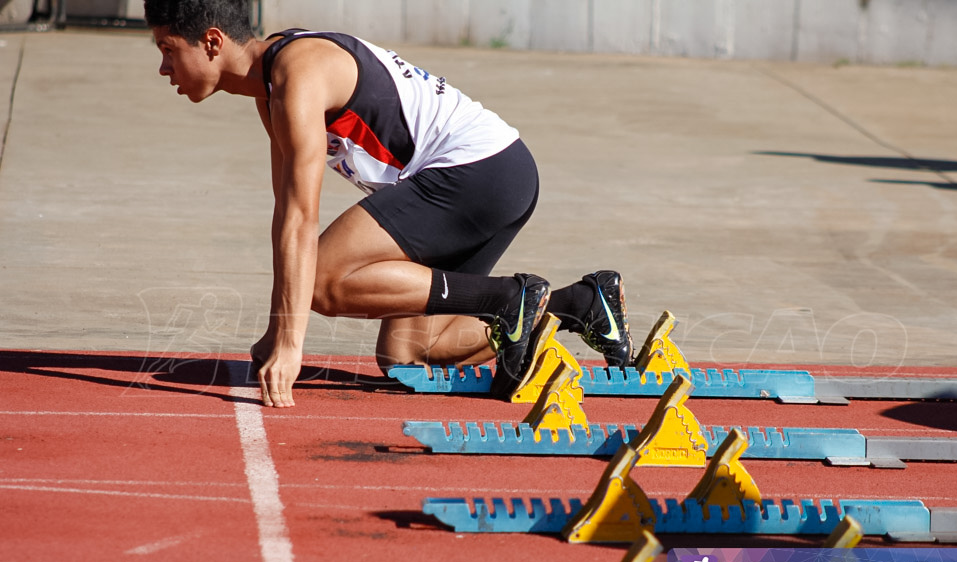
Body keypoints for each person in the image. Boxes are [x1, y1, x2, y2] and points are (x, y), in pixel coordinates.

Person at [144, 0, 633, 408]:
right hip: (499, 174)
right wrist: (278, 331)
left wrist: (292, 345)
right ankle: (578, 304)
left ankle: (509, 299)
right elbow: (285, 216)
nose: (164, 68)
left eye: (168, 50)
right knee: (409, 355)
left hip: (480, 172)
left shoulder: (298, 74)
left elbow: (301, 221)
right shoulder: (272, 86)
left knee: (320, 280)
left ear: (211, 42)